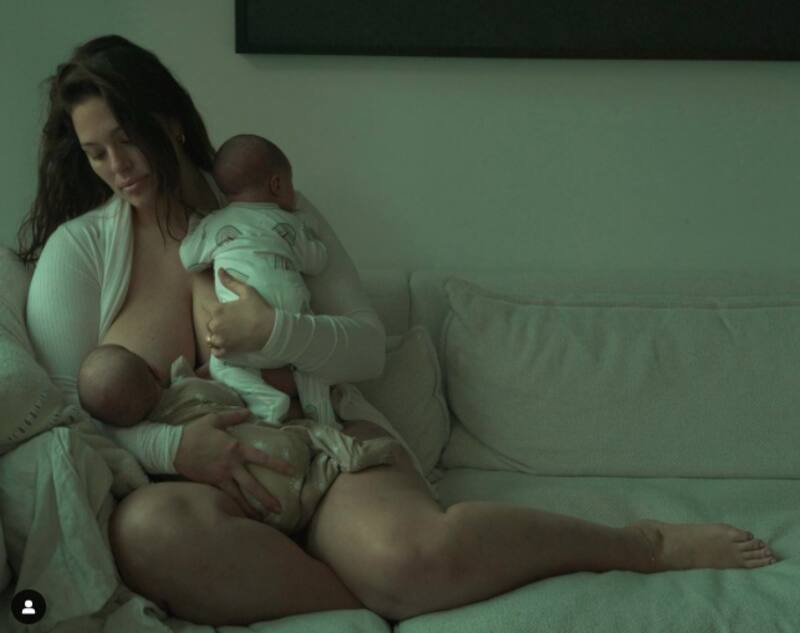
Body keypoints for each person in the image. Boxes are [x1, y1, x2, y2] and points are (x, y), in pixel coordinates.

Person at [20, 34, 776, 628]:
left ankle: (638, 545)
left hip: (326, 443)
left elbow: (362, 344)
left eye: (127, 138)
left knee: (412, 555)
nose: (118, 165)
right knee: (146, 534)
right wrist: (172, 447)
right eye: (95, 152)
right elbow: (67, 424)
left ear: (169, 119)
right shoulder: (79, 255)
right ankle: (377, 596)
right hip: (201, 490)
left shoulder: (266, 208)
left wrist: (277, 330)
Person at [77, 342, 398, 533]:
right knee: (308, 430)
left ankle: (308, 499)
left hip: (263, 511)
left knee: (297, 501)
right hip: (283, 448)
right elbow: (231, 400)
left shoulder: (154, 466)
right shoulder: (189, 387)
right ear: (153, 370)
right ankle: (344, 454)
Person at [179, 133, 336, 428]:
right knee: (312, 364)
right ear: (277, 184)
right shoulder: (291, 222)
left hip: (243, 337)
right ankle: (323, 418)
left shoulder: (216, 223)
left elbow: (189, 259)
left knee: (220, 365)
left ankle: (267, 401)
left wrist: (196, 226)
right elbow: (316, 262)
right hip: (292, 327)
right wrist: (310, 231)